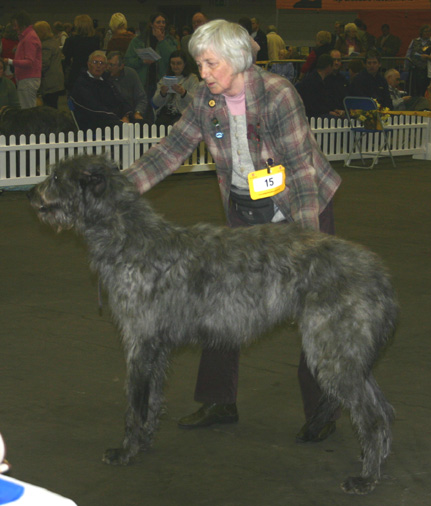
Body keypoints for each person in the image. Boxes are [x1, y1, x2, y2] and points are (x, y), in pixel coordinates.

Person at [123, 20, 342, 442]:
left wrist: (309, 243)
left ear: (238, 59)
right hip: (246, 209)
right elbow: (171, 150)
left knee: (316, 309)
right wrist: (120, 188)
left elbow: (299, 172)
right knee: (220, 304)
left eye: (210, 63)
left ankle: (322, 409)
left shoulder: (278, 94)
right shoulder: (205, 98)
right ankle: (218, 400)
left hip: (304, 202)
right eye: (199, 63)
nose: (202, 72)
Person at [70, 50, 134, 131]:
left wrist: (126, 115)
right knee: (123, 128)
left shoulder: (107, 81)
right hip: (93, 121)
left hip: (114, 119)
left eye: (101, 63)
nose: (98, 66)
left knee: (144, 124)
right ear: (88, 64)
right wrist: (117, 119)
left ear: (105, 67)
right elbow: (94, 108)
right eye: (95, 62)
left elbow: (120, 100)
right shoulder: (81, 84)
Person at [124, 12, 178, 100]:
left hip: (163, 83)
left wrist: (161, 40)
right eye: (158, 22)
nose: (161, 25)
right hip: (143, 83)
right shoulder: (138, 41)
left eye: (163, 22)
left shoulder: (171, 40)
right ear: (151, 24)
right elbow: (127, 61)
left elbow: (173, 59)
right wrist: (141, 61)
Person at [152, 50, 199, 127]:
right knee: (158, 126)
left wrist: (184, 93)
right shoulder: (165, 78)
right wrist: (162, 94)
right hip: (166, 113)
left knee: (175, 126)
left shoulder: (192, 78)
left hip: (183, 114)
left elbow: (195, 103)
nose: (175, 66)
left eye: (178, 63)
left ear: (185, 64)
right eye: (172, 63)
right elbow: (155, 102)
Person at [4, 11, 41, 109]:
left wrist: (10, 61)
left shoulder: (30, 37)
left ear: (22, 23)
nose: (14, 28)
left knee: (28, 112)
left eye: (15, 25)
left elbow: (29, 62)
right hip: (25, 79)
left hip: (28, 80)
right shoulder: (25, 37)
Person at [62, 14, 100, 92]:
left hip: (76, 74)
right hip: (91, 73)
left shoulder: (71, 40)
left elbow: (66, 59)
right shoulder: (96, 40)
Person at [106, 51, 147, 122]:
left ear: (121, 66)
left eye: (111, 65)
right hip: (112, 115)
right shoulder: (104, 76)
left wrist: (138, 112)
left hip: (132, 113)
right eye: (107, 64)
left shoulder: (131, 74)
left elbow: (141, 97)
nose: (108, 67)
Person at [33, 21, 65, 109]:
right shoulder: (53, 41)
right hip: (55, 81)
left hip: (49, 82)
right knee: (53, 105)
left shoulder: (45, 45)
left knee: (49, 108)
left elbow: (43, 64)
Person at [296, 53, 335, 118]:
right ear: (328, 67)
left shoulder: (314, 78)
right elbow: (313, 105)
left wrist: (333, 110)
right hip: (312, 115)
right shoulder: (312, 81)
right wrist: (328, 111)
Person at [404, 24, 431, 96]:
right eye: (425, 31)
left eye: (429, 31)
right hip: (414, 69)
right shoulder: (414, 41)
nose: (427, 33)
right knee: (413, 88)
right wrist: (406, 66)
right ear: (421, 32)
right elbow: (408, 53)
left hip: (426, 69)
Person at [324, 49, 348, 114]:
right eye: (334, 60)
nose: (336, 63)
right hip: (327, 113)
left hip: (343, 113)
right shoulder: (323, 79)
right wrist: (332, 110)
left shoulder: (344, 80)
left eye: (338, 60)